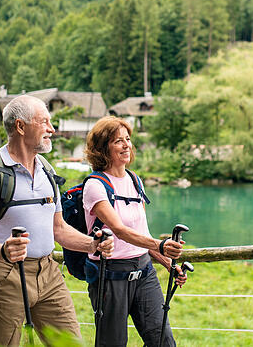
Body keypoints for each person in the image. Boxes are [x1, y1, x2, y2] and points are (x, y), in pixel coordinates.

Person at [0, 95, 114, 346]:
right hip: (3, 274)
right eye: (44, 122)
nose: (51, 130)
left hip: (49, 273)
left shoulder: (46, 169)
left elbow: (59, 229)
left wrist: (92, 245)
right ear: (21, 127)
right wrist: (1, 250)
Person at [82, 116, 188, 347]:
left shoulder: (134, 180)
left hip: (144, 272)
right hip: (110, 276)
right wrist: (160, 245)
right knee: (113, 343)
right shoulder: (95, 185)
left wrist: (168, 264)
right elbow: (119, 230)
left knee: (163, 341)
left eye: (128, 139)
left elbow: (142, 234)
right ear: (102, 148)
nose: (126, 145)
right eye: (118, 141)